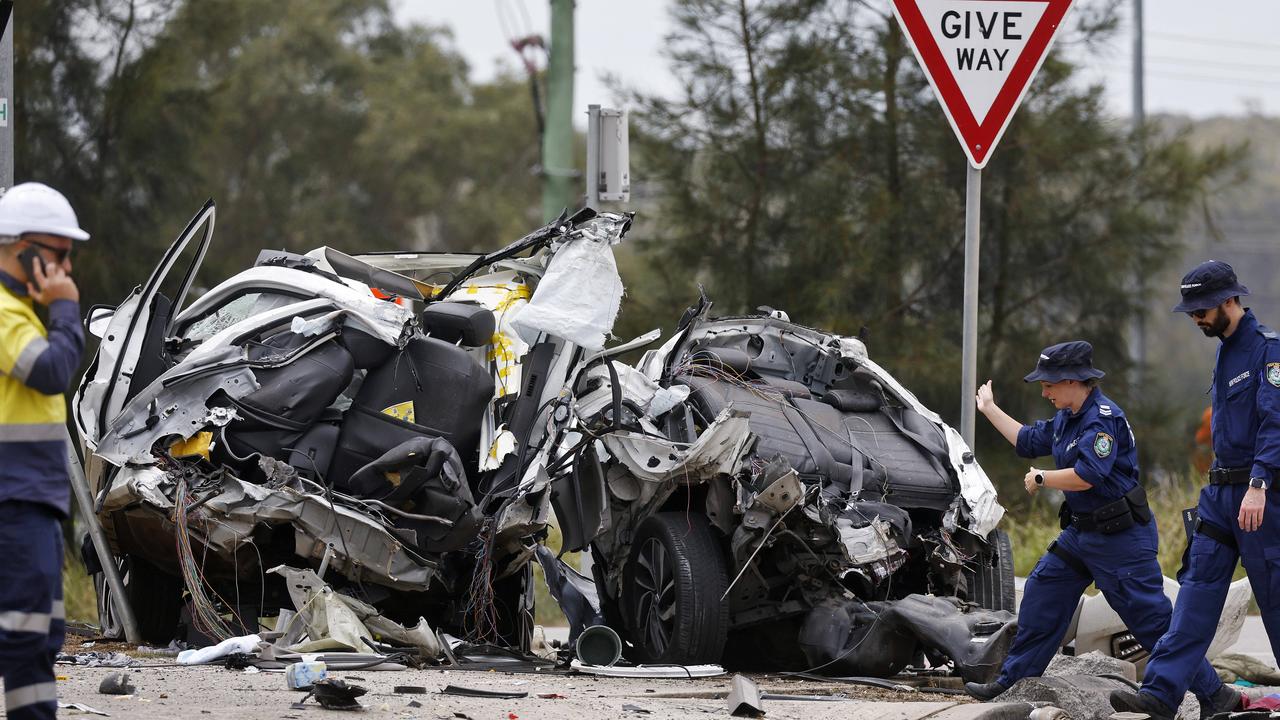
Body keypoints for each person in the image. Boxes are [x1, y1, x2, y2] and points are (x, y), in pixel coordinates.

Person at [964, 341, 1238, 717]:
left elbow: (1090, 475)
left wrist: (1044, 477)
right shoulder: (1067, 416)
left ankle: (1216, 695)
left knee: (1153, 625)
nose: (1043, 391)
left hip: (1121, 539)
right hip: (1082, 535)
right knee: (1043, 594)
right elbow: (1028, 441)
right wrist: (990, 409)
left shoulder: (1102, 419)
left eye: (1048, 384)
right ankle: (1014, 682)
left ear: (1073, 381)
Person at [1111, 260, 1276, 719]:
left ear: (1230, 301)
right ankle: (1160, 696)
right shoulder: (1224, 350)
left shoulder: (1268, 351)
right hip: (1220, 497)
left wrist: (1260, 484)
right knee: (1194, 599)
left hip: (1259, 496)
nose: (1197, 318)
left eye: (1202, 310)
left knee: (1277, 601)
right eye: (1192, 311)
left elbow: (1275, 424)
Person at [0, 182, 88, 720]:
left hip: (32, 500)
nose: (66, 269)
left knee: (37, 635)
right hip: (13, 500)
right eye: (59, 255)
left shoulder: (23, 312)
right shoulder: (6, 313)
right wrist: (66, 309)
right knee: (24, 635)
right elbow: (53, 371)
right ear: (20, 248)